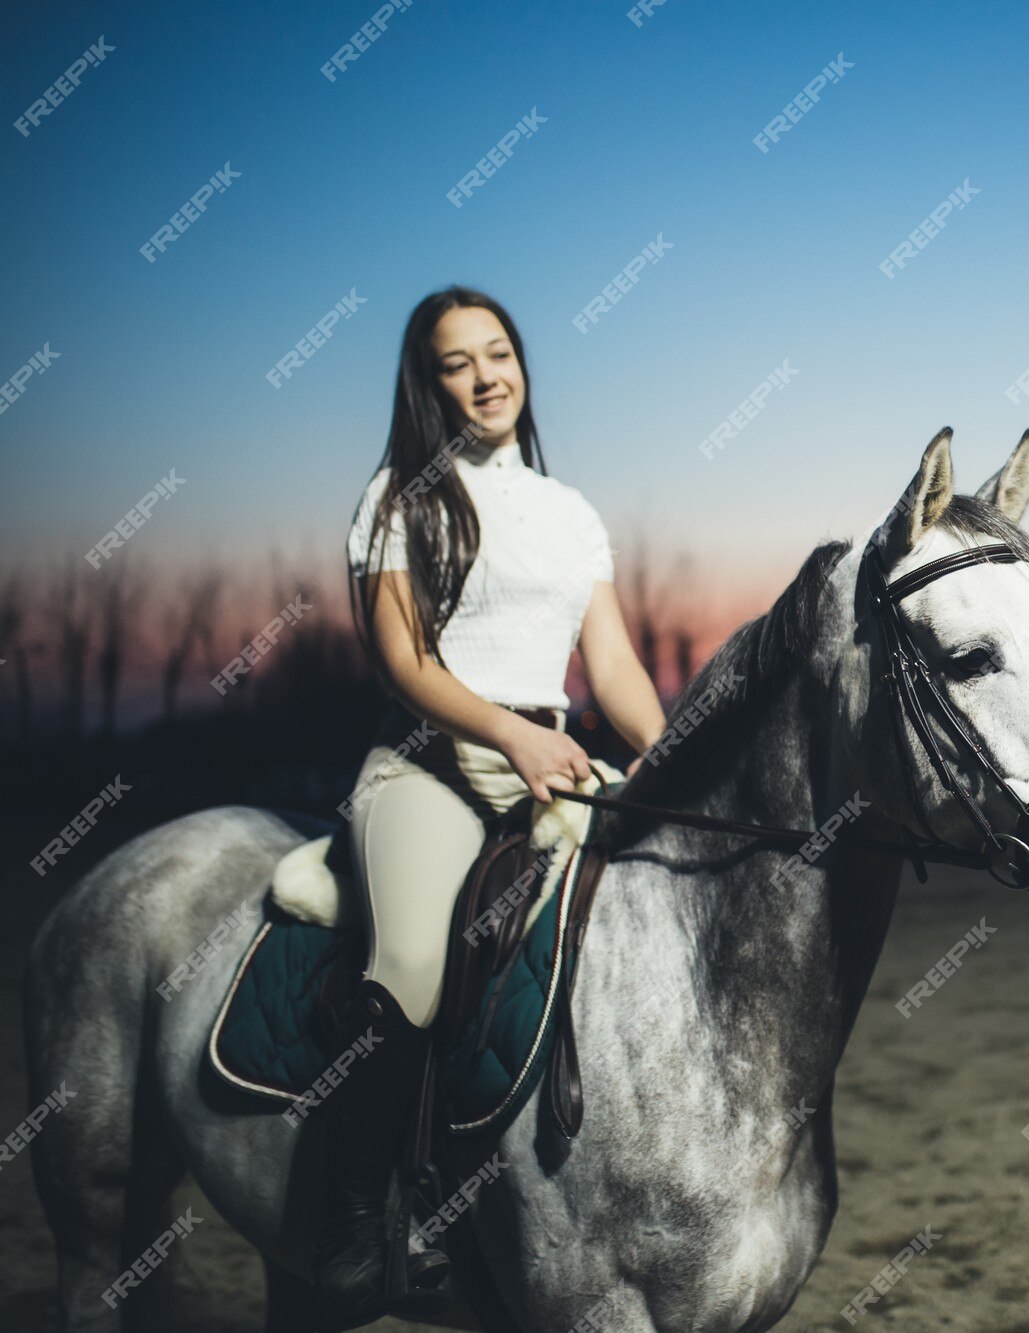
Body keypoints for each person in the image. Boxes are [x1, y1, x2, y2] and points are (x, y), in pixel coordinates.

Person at [323, 286, 665, 1326]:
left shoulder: (569, 514)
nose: (486, 376)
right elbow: (403, 661)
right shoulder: (398, 496)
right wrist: (509, 733)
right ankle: (368, 1219)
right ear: (426, 384)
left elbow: (608, 663)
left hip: (550, 759)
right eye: (456, 362)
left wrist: (666, 759)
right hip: (431, 767)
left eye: (500, 351)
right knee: (420, 964)